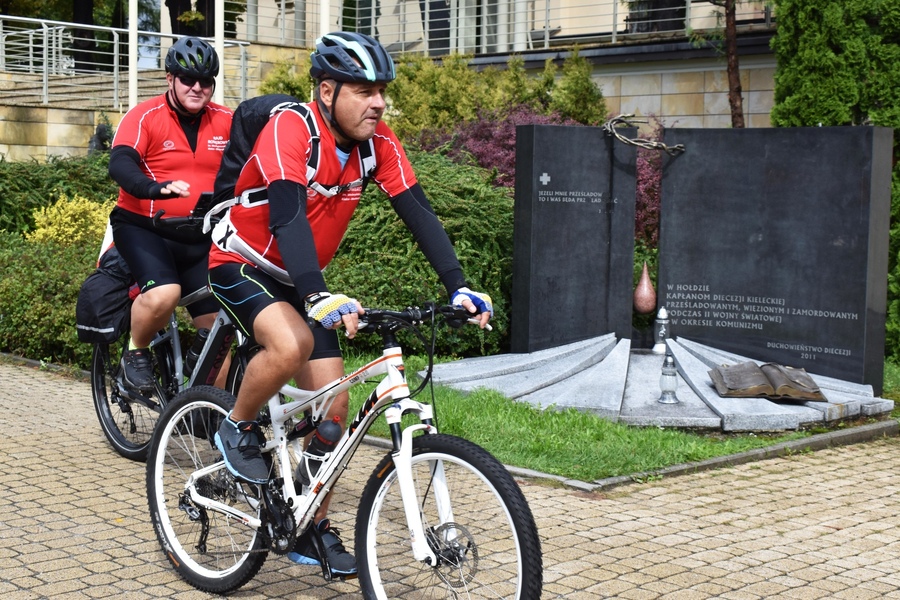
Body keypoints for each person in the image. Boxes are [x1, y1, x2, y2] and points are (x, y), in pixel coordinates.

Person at [207, 31, 493, 577]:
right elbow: (287, 217)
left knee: (334, 408)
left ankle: (308, 522)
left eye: (381, 89)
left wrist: (457, 283)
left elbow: (419, 213)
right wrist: (316, 293)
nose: (379, 102)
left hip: (301, 278)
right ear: (326, 89)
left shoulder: (378, 145)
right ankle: (235, 426)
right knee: (288, 345)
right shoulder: (291, 128)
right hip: (240, 260)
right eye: (363, 90)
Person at [108, 36, 232, 392]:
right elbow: (120, 163)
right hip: (144, 228)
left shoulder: (226, 120)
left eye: (206, 81)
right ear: (169, 79)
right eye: (188, 79)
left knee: (220, 330)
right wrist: (152, 188)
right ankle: (135, 352)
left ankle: (206, 414)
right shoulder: (144, 116)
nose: (198, 88)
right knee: (164, 294)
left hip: (200, 233)